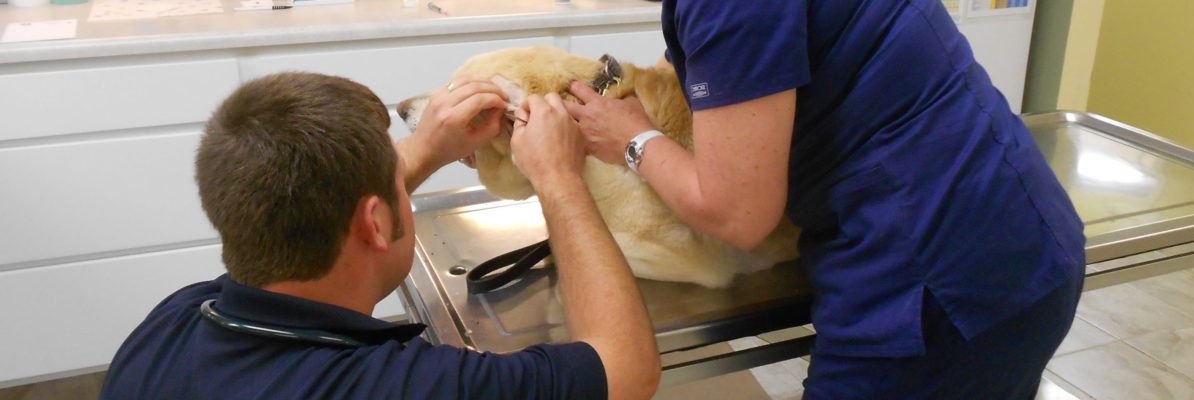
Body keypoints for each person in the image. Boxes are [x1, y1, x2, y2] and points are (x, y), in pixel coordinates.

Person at [565, 0, 1085, 398]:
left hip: (945, 280)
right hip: (1018, 224)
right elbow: (732, 54)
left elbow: (738, 213)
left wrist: (633, 142)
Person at [100, 72, 660, 399]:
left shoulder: (170, 323)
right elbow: (626, 369)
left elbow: (306, 211)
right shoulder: (396, 387)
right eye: (399, 181)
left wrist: (421, 153)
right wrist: (558, 177)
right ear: (373, 222)